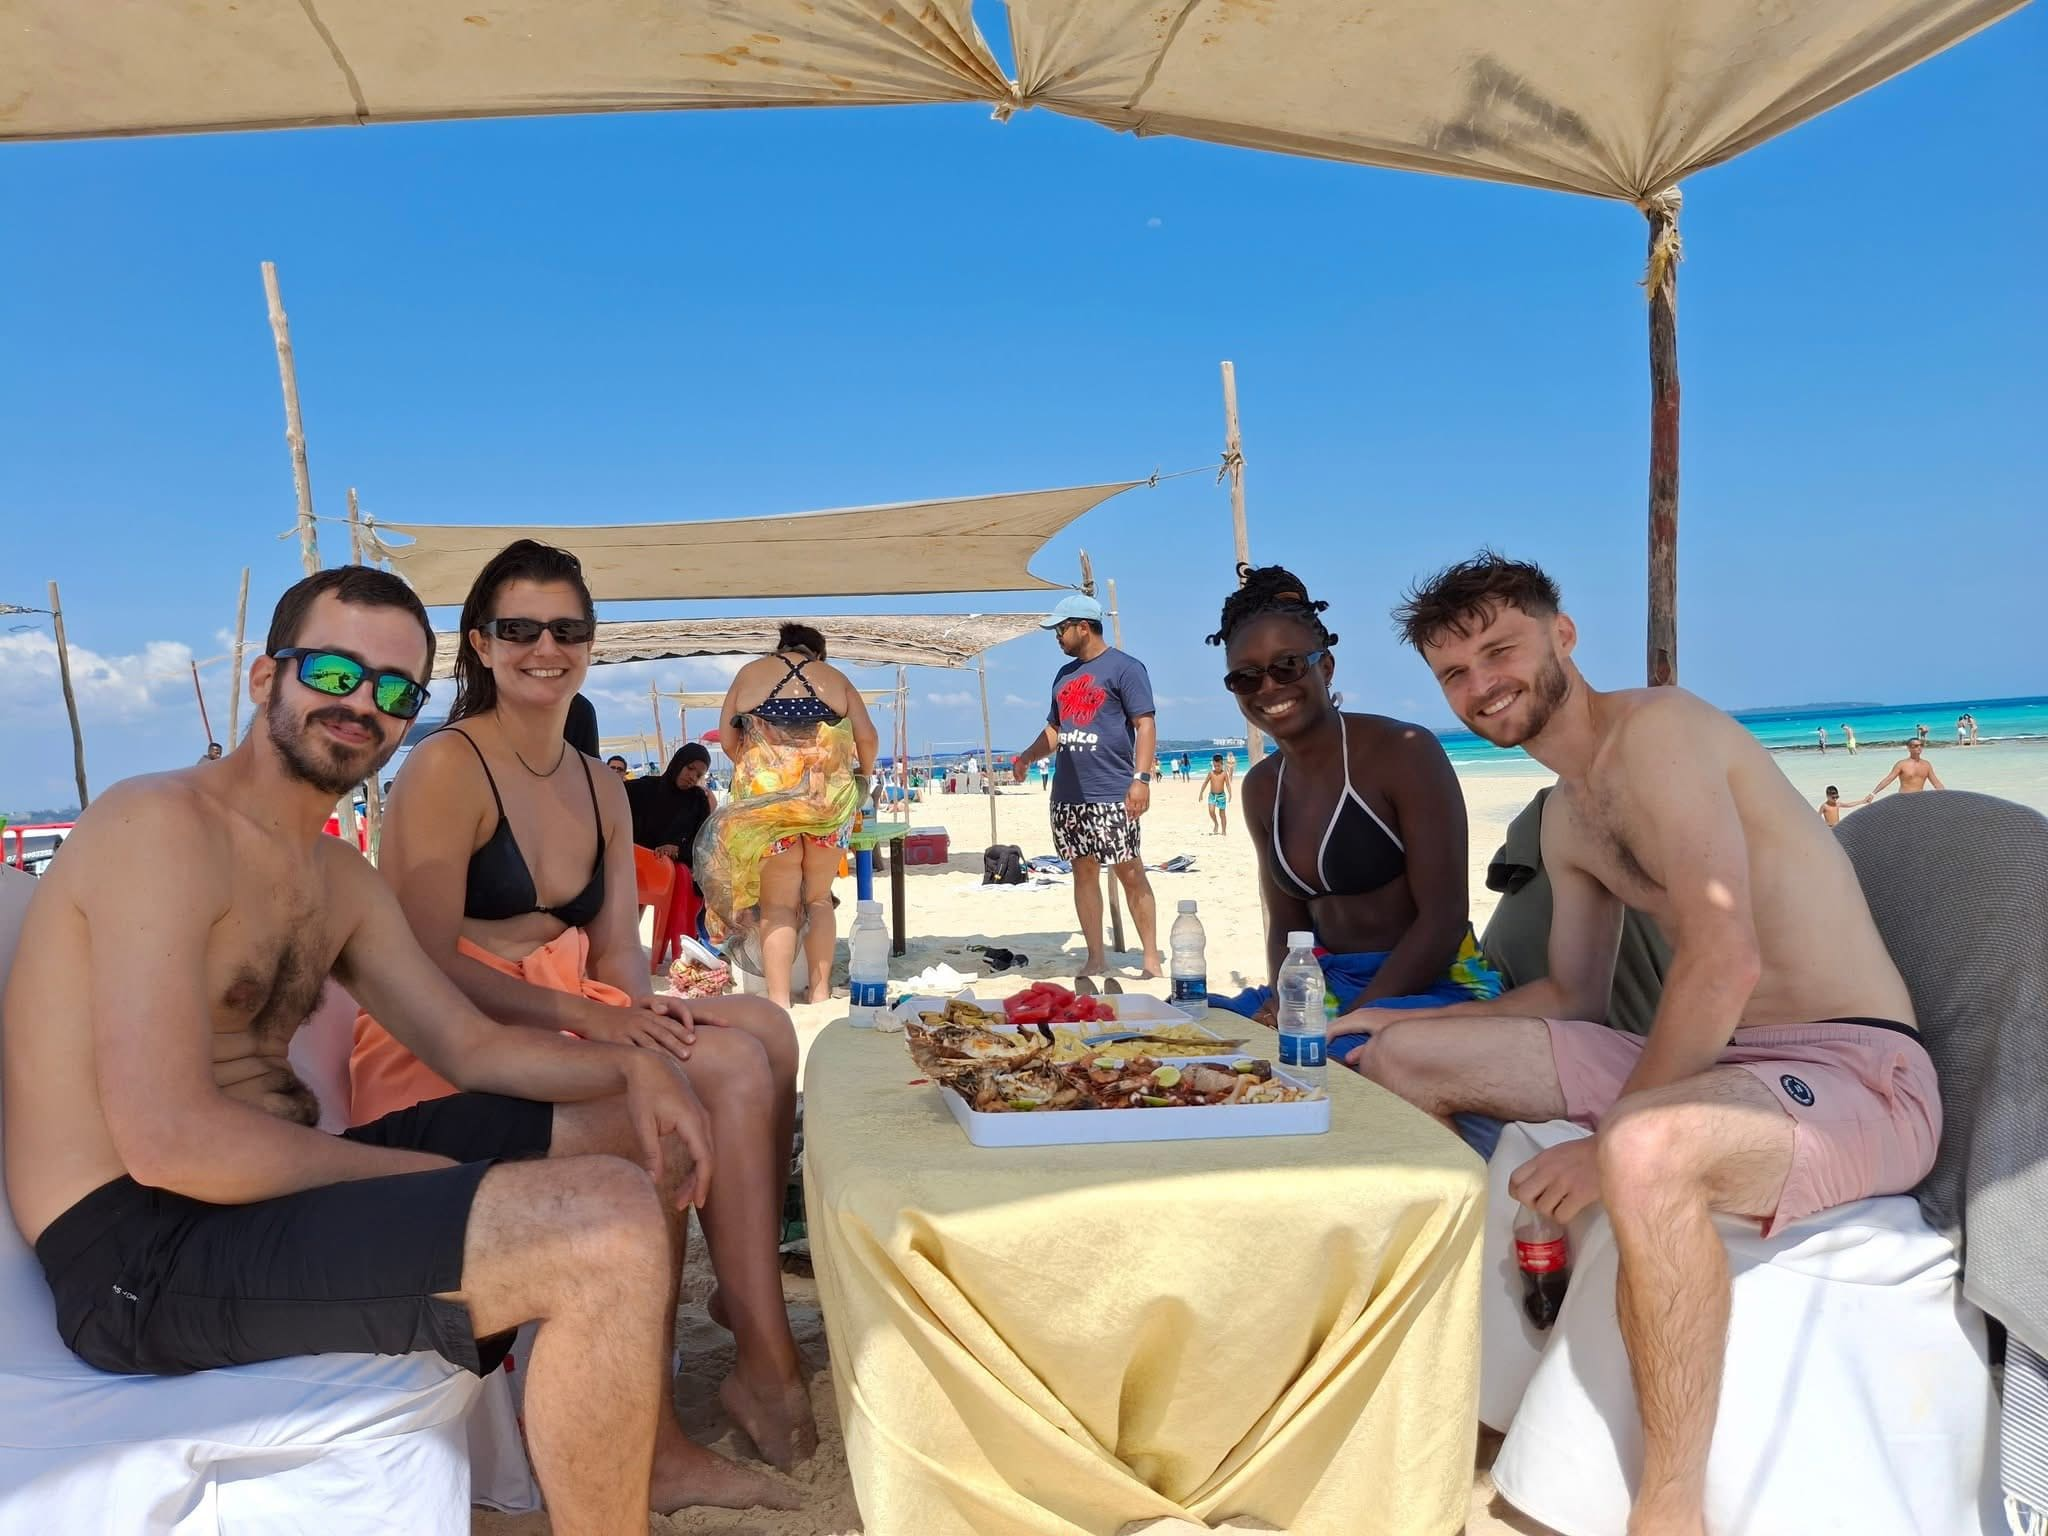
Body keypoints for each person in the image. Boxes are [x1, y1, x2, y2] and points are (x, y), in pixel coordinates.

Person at [0, 564, 802, 1526]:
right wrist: (434, 1179)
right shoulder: (158, 826)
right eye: (333, 673)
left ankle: (650, 1456)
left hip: (259, 1202)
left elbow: (470, 1047)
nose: (361, 706)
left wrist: (634, 1065)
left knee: (638, 1132)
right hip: (141, 1253)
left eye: (393, 691)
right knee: (602, 1227)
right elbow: (170, 1141)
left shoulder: (332, 876)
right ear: (265, 678)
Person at [1360, 552, 1937, 1536]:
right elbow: (1572, 994)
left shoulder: (1660, 732)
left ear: (1563, 635)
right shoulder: (1563, 815)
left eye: (1500, 650)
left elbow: (1724, 957)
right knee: (1397, 1066)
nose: (1481, 683)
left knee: (1639, 1147)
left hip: (1853, 1072)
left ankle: (1667, 1508)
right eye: (1453, 672)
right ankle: (1478, 1380)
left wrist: (1610, 1136)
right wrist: (1406, 1021)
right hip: (1722, 1060)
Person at [349, 542, 813, 1478]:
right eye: (519, 629)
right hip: (452, 1031)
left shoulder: (599, 783)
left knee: (764, 1029)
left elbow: (614, 951)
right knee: (719, 1067)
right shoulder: (446, 768)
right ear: (482, 644)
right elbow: (423, 962)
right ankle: (757, 1367)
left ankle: (743, 1298)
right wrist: (611, 1026)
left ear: (590, 645)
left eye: (566, 629)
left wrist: (645, 1013)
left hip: (570, 1000)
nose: (545, 648)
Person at [1203, 565, 1502, 1135]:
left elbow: (1443, 920)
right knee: (1188, 1037)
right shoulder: (1262, 786)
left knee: (1328, 1075)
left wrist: (1355, 1018)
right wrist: (1287, 1005)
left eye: (1287, 666)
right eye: (1245, 677)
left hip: (1432, 982)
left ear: (1325, 666)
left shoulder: (1401, 752)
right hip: (1327, 985)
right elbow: (1287, 924)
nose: (1268, 688)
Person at [712, 622, 879, 1008]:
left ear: (780, 646)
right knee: (819, 898)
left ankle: (779, 999)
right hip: (827, 801)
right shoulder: (834, 678)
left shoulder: (749, 674)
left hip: (767, 803)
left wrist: (757, 766)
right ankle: (819, 992)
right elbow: (867, 737)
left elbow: (727, 740)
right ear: (818, 654)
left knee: (778, 907)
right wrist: (863, 775)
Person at [1009, 595, 1161, 977]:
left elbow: (1144, 724)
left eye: (1061, 629)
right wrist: (1027, 756)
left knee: (1129, 871)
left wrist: (1141, 779)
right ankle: (1096, 957)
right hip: (1068, 795)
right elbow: (1055, 729)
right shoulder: (1064, 675)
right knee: (1083, 871)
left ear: (1083, 627)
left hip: (1112, 791)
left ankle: (1151, 959)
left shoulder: (1126, 668)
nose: (1057, 636)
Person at [628, 742, 718, 865]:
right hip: (638, 867)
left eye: (698, 775)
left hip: (676, 872)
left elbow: (703, 847)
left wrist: (678, 850)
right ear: (678, 763)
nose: (692, 777)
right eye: (690, 768)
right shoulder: (644, 788)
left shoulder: (698, 800)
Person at [1870, 736, 1946, 795]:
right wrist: (1873, 794)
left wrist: (1946, 795)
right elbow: (1888, 780)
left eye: (1921, 745)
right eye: (1916, 746)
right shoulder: (1901, 764)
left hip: (1920, 798)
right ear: (1909, 748)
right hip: (1904, 798)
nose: (1919, 748)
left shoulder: (1926, 764)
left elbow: (1936, 783)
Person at [1198, 752, 1233, 835]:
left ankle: (1224, 830)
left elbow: (1228, 784)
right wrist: (1201, 793)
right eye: (1215, 766)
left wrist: (1230, 794)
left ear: (1222, 764)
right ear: (1213, 764)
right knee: (1211, 811)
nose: (1217, 767)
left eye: (1218, 766)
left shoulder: (1224, 773)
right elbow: (1205, 783)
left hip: (1221, 796)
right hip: (1212, 795)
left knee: (1222, 814)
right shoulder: (1211, 773)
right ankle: (1216, 823)